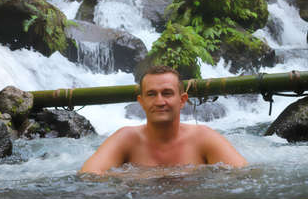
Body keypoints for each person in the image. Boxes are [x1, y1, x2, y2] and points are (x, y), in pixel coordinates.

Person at [79, 65, 247, 175]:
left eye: (167, 93)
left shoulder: (203, 138)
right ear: (141, 101)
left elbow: (245, 176)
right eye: (151, 94)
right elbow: (88, 177)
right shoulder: (126, 139)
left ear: (182, 100)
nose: (160, 101)